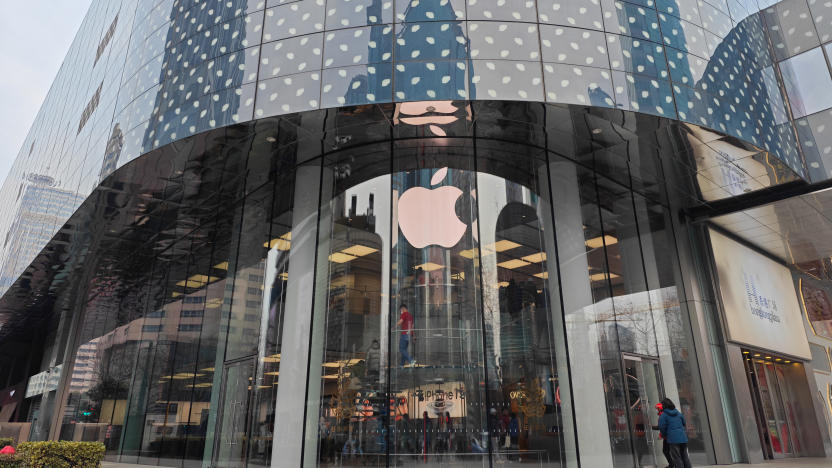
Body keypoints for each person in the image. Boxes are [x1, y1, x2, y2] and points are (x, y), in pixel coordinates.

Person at [658, 398, 692, 468]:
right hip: (683, 438)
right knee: (685, 457)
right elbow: (684, 423)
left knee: (677, 457)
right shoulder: (678, 413)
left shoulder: (663, 415)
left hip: (673, 439)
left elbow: (661, 427)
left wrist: (665, 435)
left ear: (663, 406)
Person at [652, 402, 672, 468]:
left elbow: (661, 427)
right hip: (667, 436)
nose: (657, 410)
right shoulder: (663, 415)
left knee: (666, 451)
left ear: (660, 409)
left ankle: (672, 464)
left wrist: (651, 427)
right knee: (667, 451)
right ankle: (672, 464)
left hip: (667, 437)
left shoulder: (662, 415)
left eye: (658, 409)